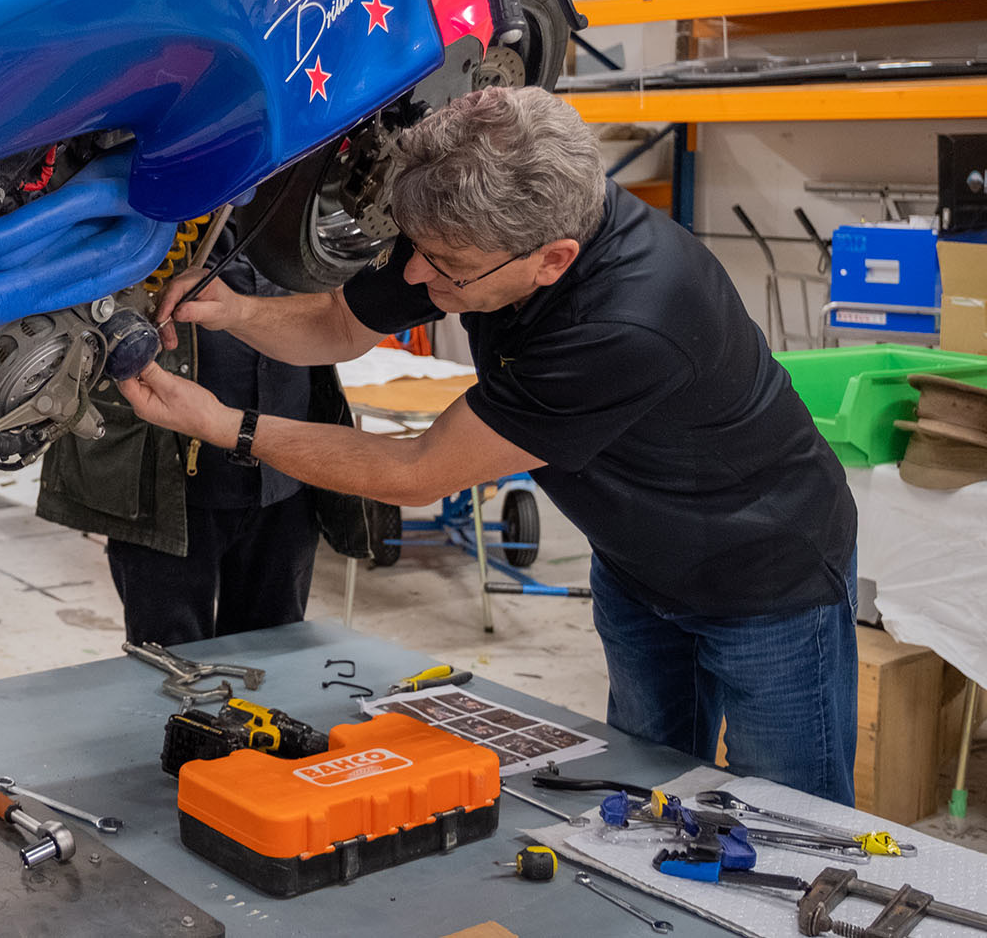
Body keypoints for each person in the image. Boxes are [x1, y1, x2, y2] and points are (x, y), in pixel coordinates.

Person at [120, 86, 859, 804]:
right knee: (643, 790)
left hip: (763, 580)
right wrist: (236, 311)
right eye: (420, 252)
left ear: (553, 260)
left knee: (789, 816)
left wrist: (223, 425)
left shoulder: (627, 322)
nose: (416, 274)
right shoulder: (468, 232)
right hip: (639, 566)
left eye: (444, 266)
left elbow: (415, 471)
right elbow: (340, 327)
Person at [37, 238, 372, 645]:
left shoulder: (304, 204)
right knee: (169, 667)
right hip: (159, 481)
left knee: (276, 657)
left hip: (284, 475)